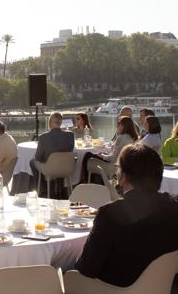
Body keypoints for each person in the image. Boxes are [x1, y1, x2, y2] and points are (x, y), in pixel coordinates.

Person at [75, 143, 178, 287]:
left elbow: (87, 269)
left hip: (116, 290)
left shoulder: (110, 214)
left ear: (123, 177)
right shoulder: (174, 206)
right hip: (163, 287)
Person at [82, 116, 138, 181]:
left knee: (87, 155)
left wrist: (101, 155)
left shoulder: (121, 138)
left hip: (112, 166)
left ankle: (86, 180)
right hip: (122, 166)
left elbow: (111, 158)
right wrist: (104, 154)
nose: (116, 126)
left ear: (123, 126)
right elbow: (117, 154)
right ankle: (96, 181)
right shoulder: (132, 138)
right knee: (93, 155)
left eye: (118, 124)